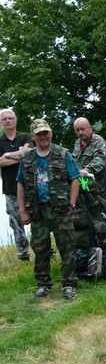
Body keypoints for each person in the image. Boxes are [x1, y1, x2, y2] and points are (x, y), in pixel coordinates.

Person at [17, 119, 80, 299]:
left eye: (46, 133)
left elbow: (75, 179)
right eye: (39, 134)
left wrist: (72, 203)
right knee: (40, 248)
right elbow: (20, 184)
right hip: (37, 211)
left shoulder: (63, 154)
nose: (43, 136)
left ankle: (69, 284)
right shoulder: (27, 158)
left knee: (67, 247)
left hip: (61, 209)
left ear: (51, 133)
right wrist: (22, 210)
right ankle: (43, 284)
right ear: (33, 136)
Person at [72, 117, 106, 278]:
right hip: (83, 188)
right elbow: (74, 161)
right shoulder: (77, 143)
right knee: (84, 223)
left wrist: (86, 170)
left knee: (98, 222)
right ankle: (88, 259)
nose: (81, 132)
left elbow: (99, 161)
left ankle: (103, 257)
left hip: (98, 190)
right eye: (77, 130)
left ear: (90, 128)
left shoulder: (98, 141)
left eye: (83, 129)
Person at [0, 109, 31, 260]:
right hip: (10, 188)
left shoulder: (26, 137)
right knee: (16, 222)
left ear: (15, 120)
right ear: (1, 122)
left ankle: (45, 251)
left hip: (31, 186)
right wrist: (20, 155)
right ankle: (23, 253)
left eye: (10, 118)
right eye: (4, 119)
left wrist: (7, 155)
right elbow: (0, 162)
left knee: (39, 219)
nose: (8, 121)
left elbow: (30, 154)